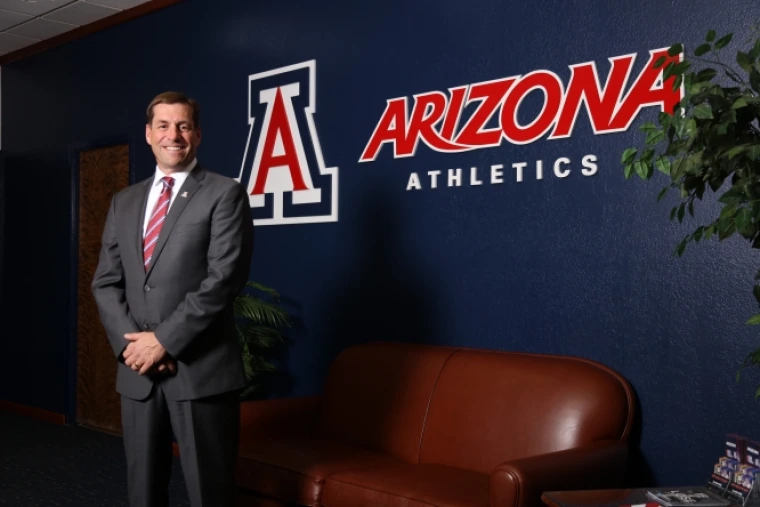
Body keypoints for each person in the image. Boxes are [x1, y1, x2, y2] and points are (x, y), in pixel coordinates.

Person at [91, 91, 254, 507]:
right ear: (148, 134)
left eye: (183, 126)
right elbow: (106, 282)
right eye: (163, 125)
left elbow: (223, 279)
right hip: (139, 373)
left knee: (209, 491)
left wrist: (162, 341)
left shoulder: (224, 193)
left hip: (200, 372)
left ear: (197, 134)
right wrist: (135, 349)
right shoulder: (123, 202)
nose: (173, 135)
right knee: (143, 491)